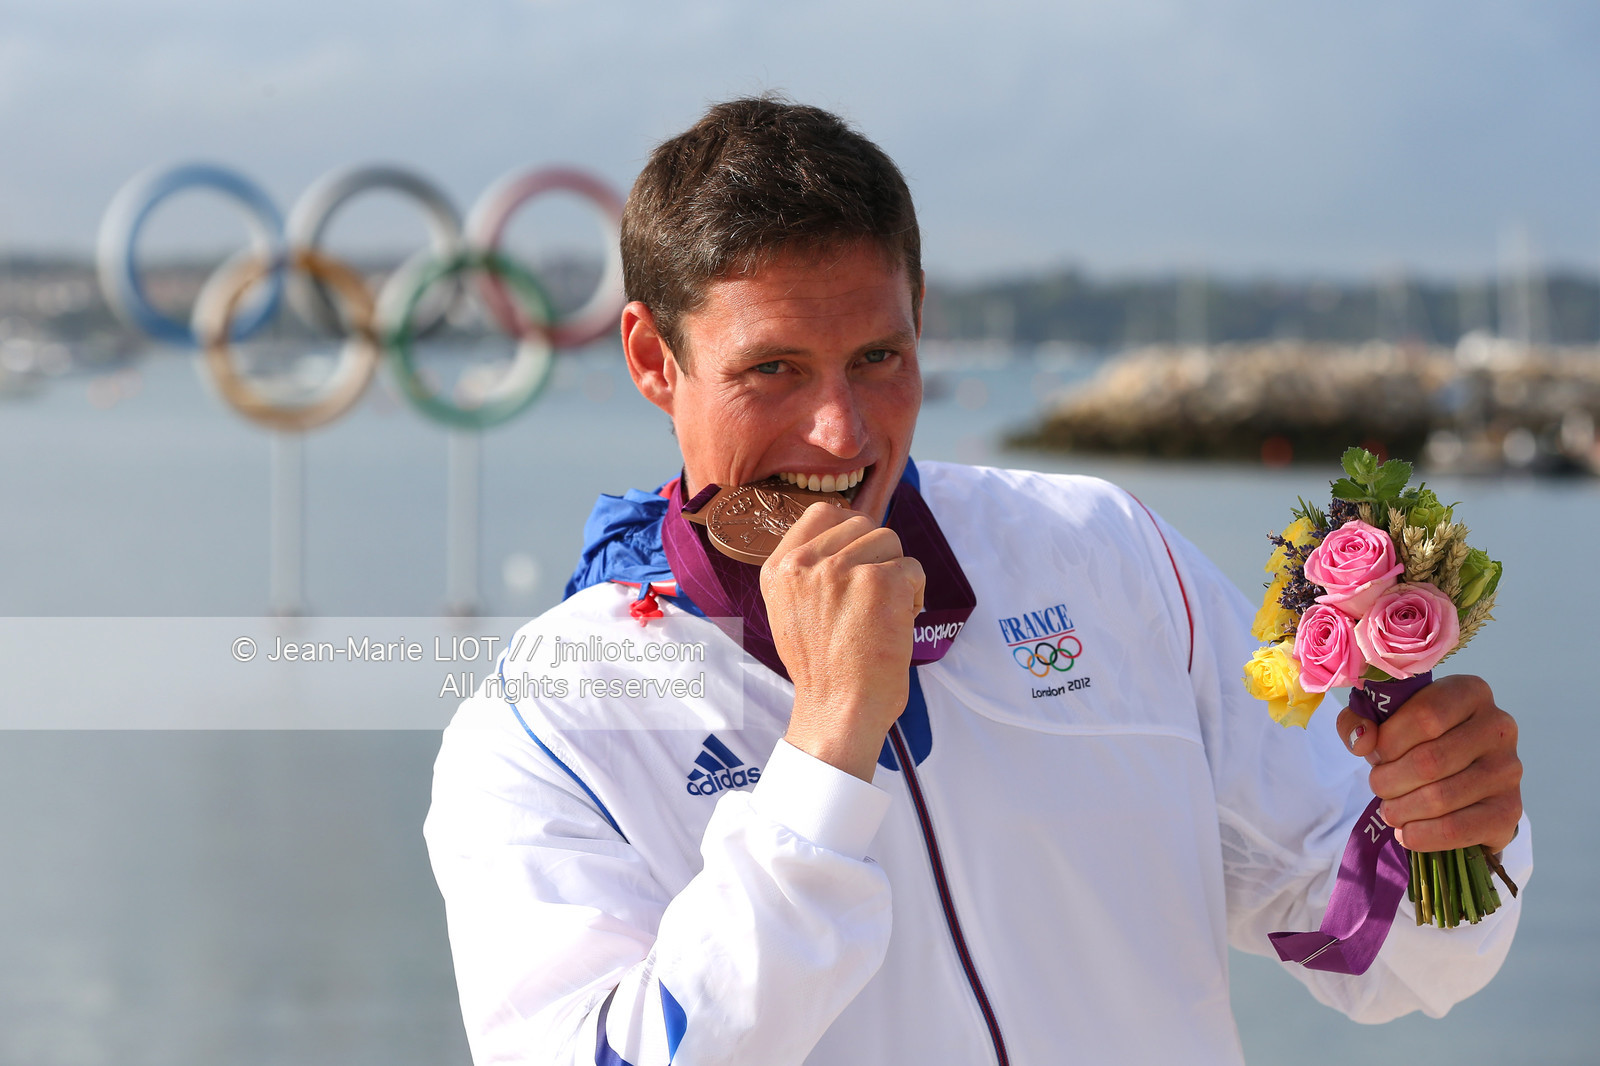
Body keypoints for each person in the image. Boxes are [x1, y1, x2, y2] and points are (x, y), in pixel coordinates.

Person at [423, 97, 1529, 1065]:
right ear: (651, 359)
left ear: (920, 316)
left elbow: (1370, 949)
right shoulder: (547, 721)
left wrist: (1447, 825)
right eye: (772, 369)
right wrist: (825, 752)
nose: (840, 431)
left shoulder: (1099, 550)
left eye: (878, 358)